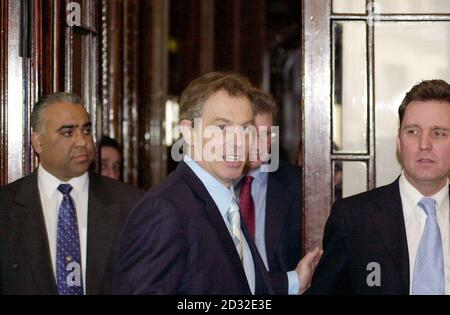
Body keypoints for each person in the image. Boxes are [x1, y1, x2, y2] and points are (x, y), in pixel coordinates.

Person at [113, 72, 321, 295]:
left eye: (245, 129)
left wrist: (294, 281)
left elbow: (236, 283)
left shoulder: (224, 198)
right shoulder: (164, 210)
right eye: (222, 128)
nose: (238, 142)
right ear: (188, 133)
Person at [307, 79, 450, 295]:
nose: (424, 144)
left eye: (438, 133)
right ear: (399, 142)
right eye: (413, 131)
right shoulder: (353, 218)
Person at [0, 92, 143, 295]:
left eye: (86, 130)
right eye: (68, 133)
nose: (82, 142)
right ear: (38, 142)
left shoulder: (131, 204)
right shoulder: (5, 208)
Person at [235, 88, 303, 294]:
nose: (259, 144)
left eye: (266, 134)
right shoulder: (215, 183)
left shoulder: (298, 184)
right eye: (251, 133)